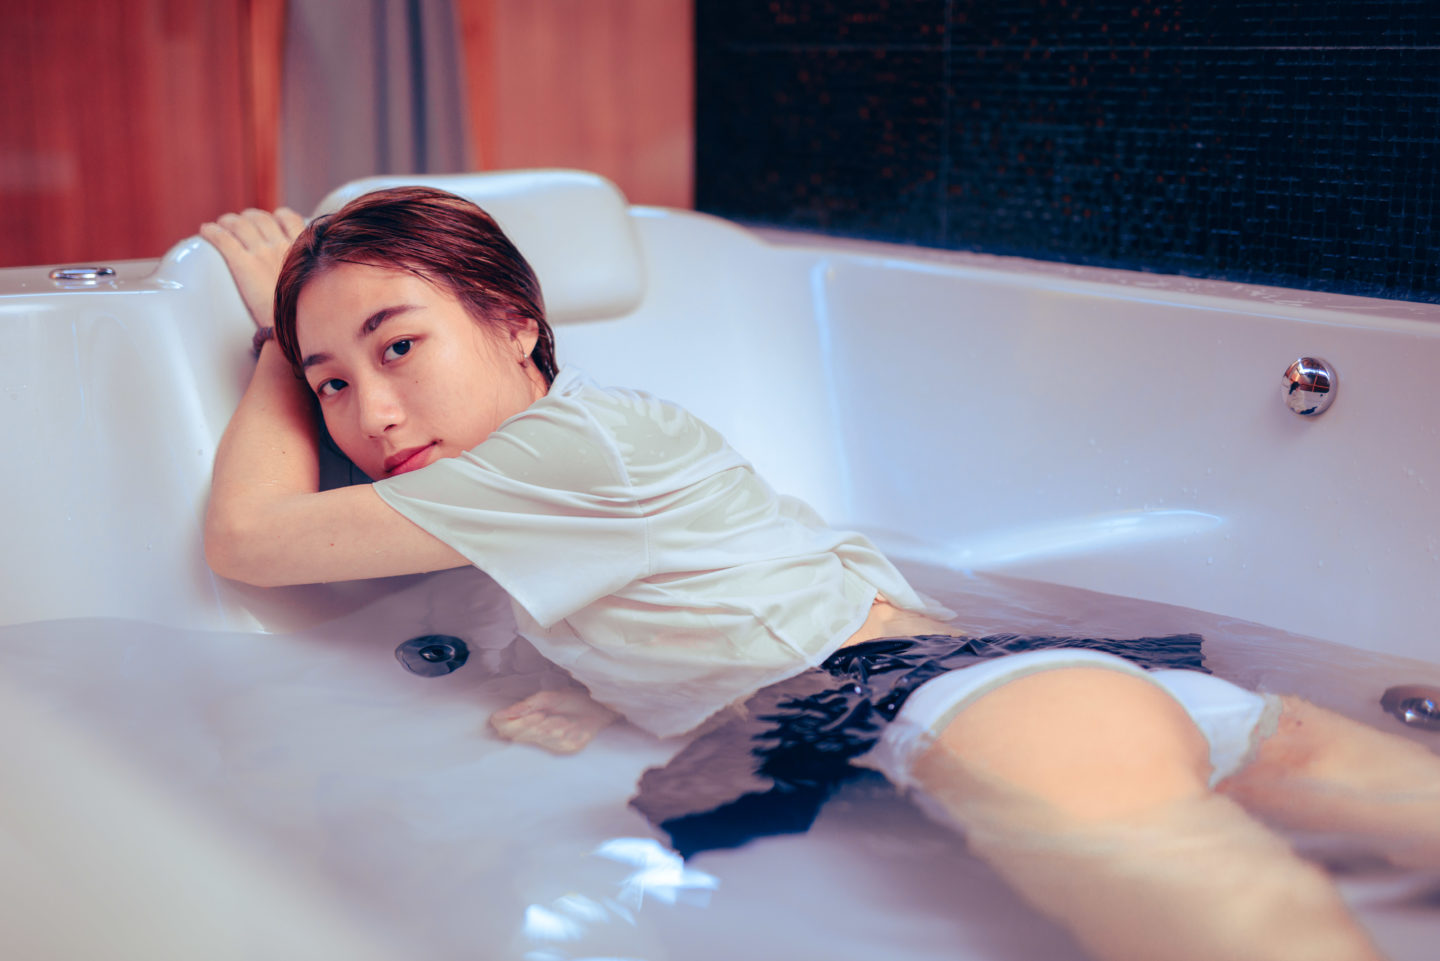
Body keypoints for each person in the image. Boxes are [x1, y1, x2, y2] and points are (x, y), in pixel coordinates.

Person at [201, 188, 1437, 961]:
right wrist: (591, 689)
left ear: (515, 320)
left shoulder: (545, 458)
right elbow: (723, 599)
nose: (370, 411)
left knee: (1244, 928)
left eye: (398, 347)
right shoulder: (581, 448)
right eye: (330, 382)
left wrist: (272, 342)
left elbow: (252, 540)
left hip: (954, 697)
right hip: (1013, 672)